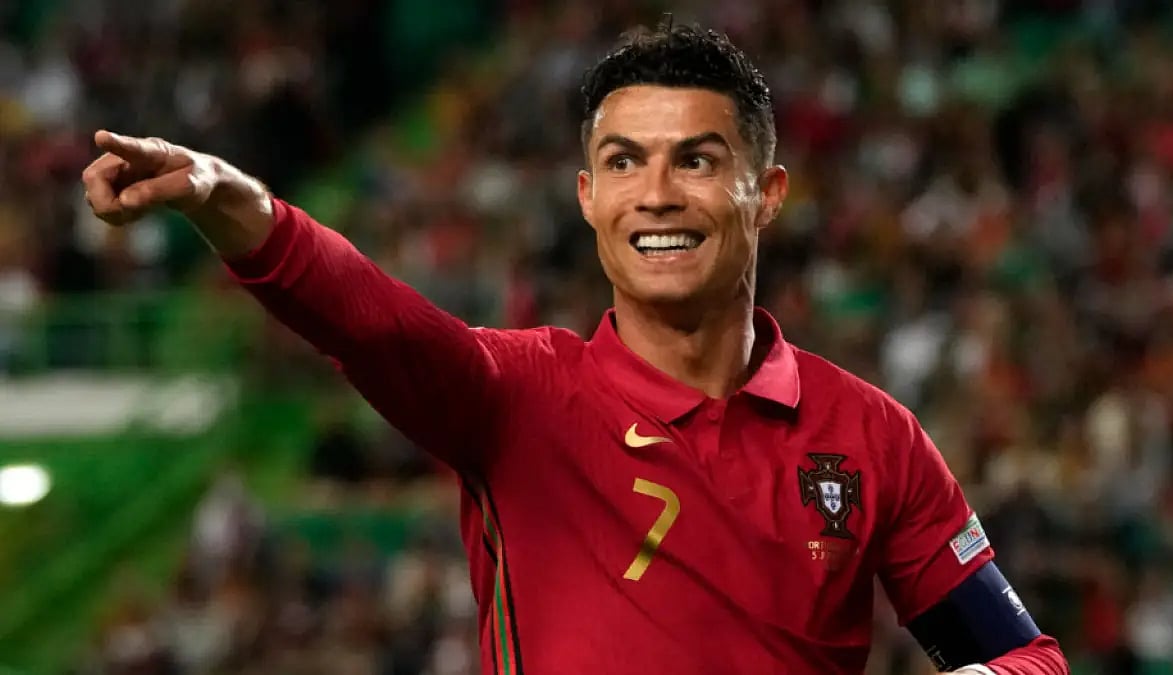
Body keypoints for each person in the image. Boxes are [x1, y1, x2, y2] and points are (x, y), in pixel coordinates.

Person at [81, 22, 1068, 675]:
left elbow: (1027, 659)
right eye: (623, 163)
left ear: (764, 196)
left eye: (697, 160)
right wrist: (223, 194)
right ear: (588, 197)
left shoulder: (871, 437)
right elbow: (365, 315)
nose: (657, 195)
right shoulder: (515, 397)